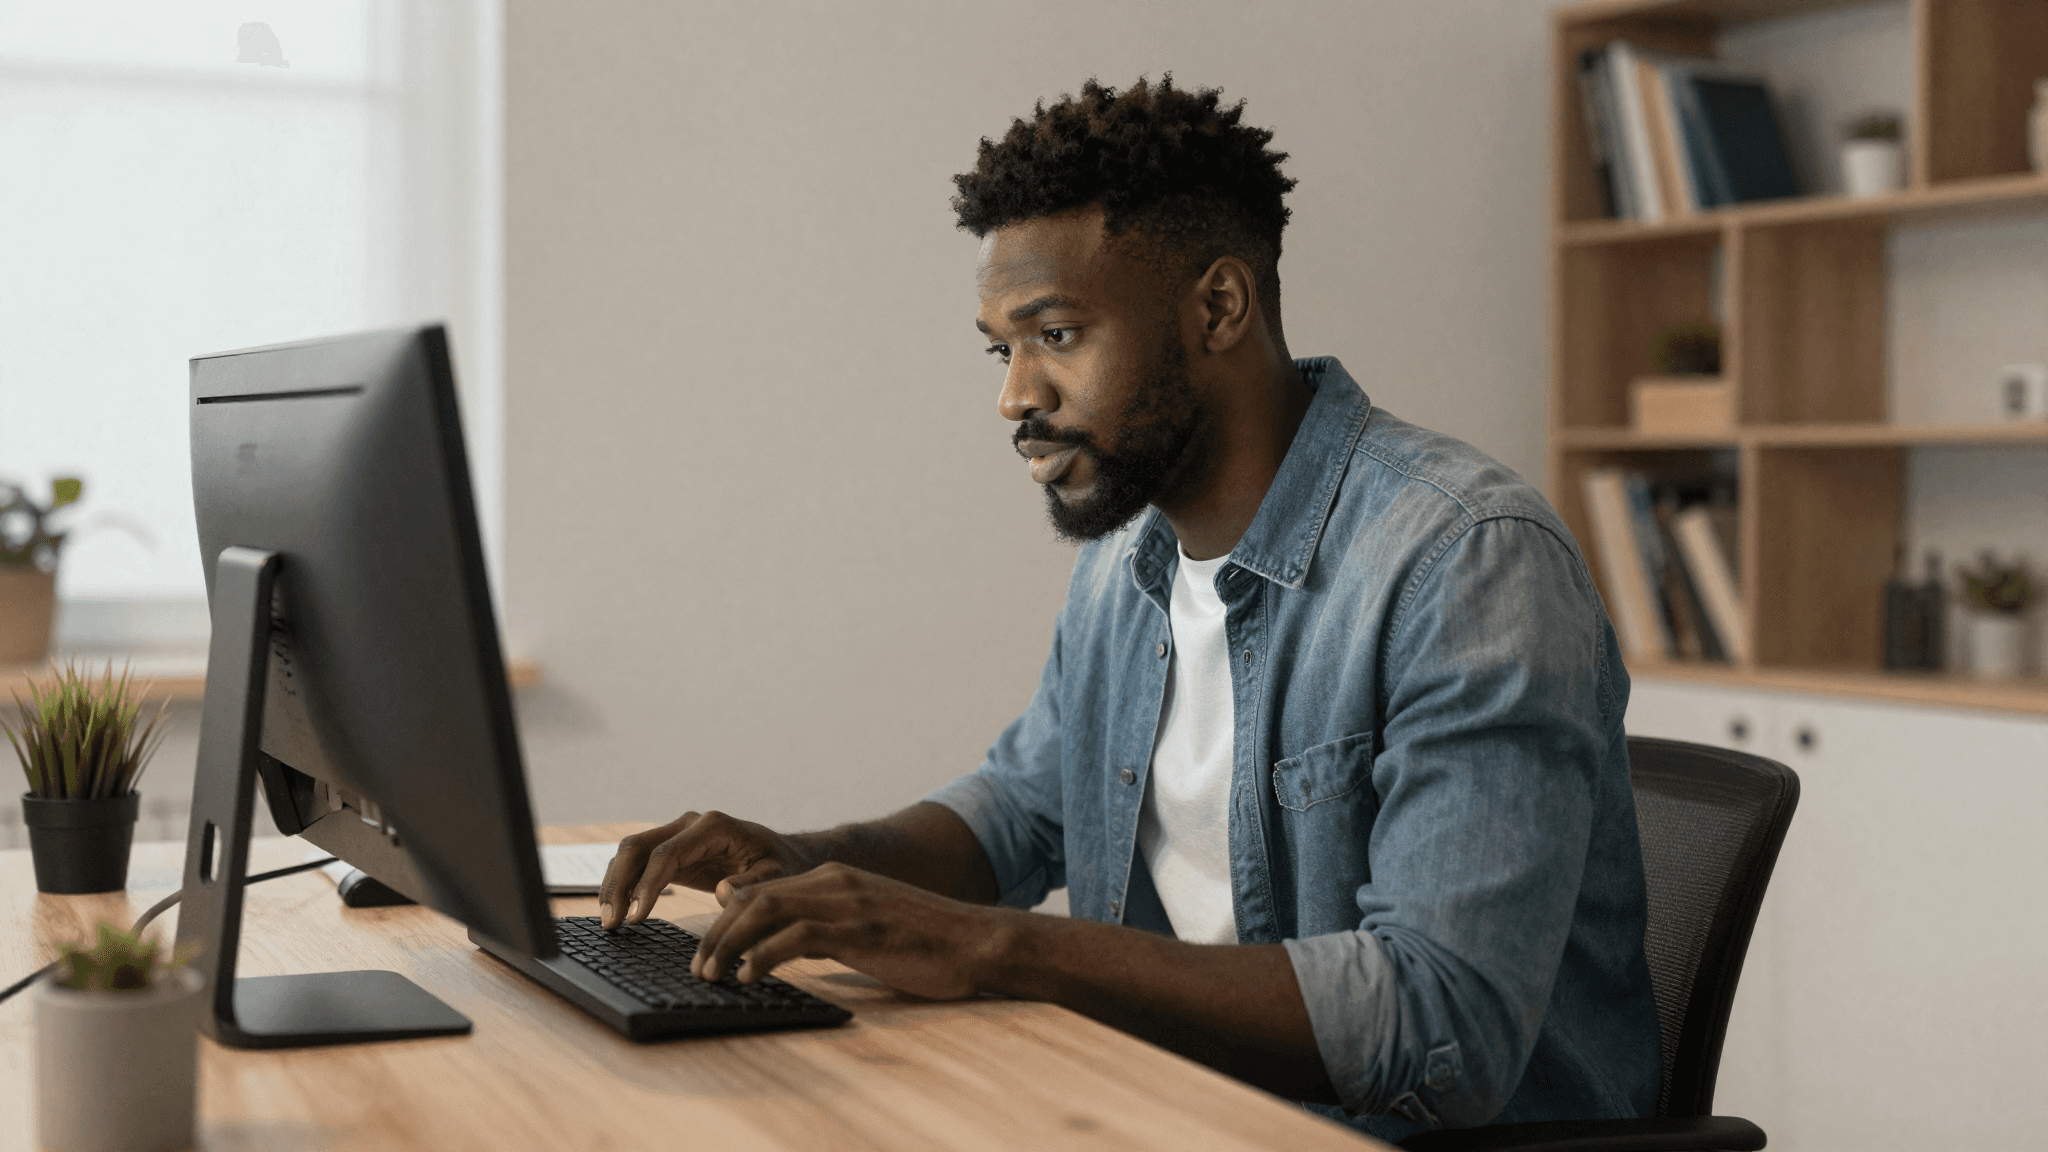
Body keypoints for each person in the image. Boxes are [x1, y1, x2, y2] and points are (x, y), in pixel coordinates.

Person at [598, 76, 1660, 1141]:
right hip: (1169, 1115)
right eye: (999, 348)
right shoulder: (1125, 563)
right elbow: (1022, 811)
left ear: (1217, 308)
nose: (1014, 395)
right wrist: (795, 860)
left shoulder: (1463, 564)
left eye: (1054, 334)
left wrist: (995, 949)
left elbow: (1443, 1021)